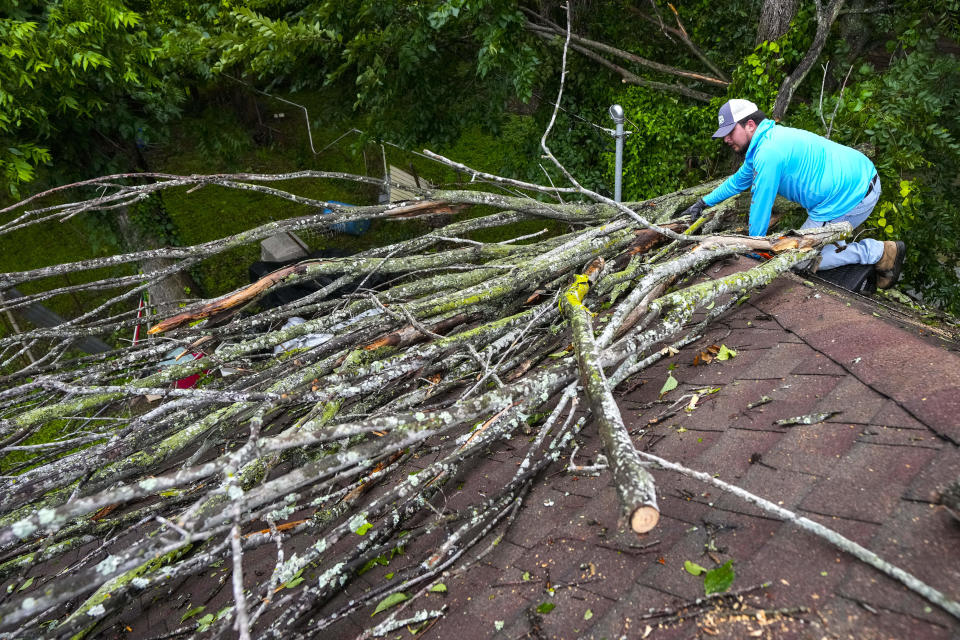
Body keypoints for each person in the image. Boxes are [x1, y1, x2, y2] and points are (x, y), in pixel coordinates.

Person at [683, 98, 905, 288]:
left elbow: (761, 204)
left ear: (750, 124)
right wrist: (703, 202)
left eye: (730, 132)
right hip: (853, 184)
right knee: (800, 248)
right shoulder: (766, 142)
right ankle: (864, 254)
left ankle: (880, 253)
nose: (726, 139)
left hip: (850, 194)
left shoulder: (768, 152)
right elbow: (737, 182)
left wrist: (752, 248)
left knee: (796, 259)